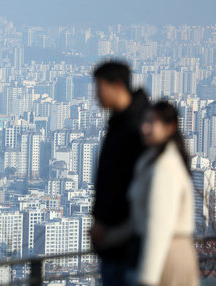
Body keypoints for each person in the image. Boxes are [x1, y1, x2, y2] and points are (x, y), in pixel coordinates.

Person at [101, 102, 200, 286]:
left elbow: (158, 228)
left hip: (167, 256)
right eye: (144, 121)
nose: (144, 127)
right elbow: (141, 220)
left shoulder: (164, 168)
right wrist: (110, 237)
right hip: (161, 254)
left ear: (169, 128)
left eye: (152, 122)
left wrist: (147, 279)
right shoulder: (152, 162)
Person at [89, 61, 150, 286]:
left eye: (99, 88)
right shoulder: (120, 122)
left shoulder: (137, 127)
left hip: (128, 245)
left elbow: (133, 186)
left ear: (117, 85)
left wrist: (110, 225)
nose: (96, 96)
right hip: (113, 244)